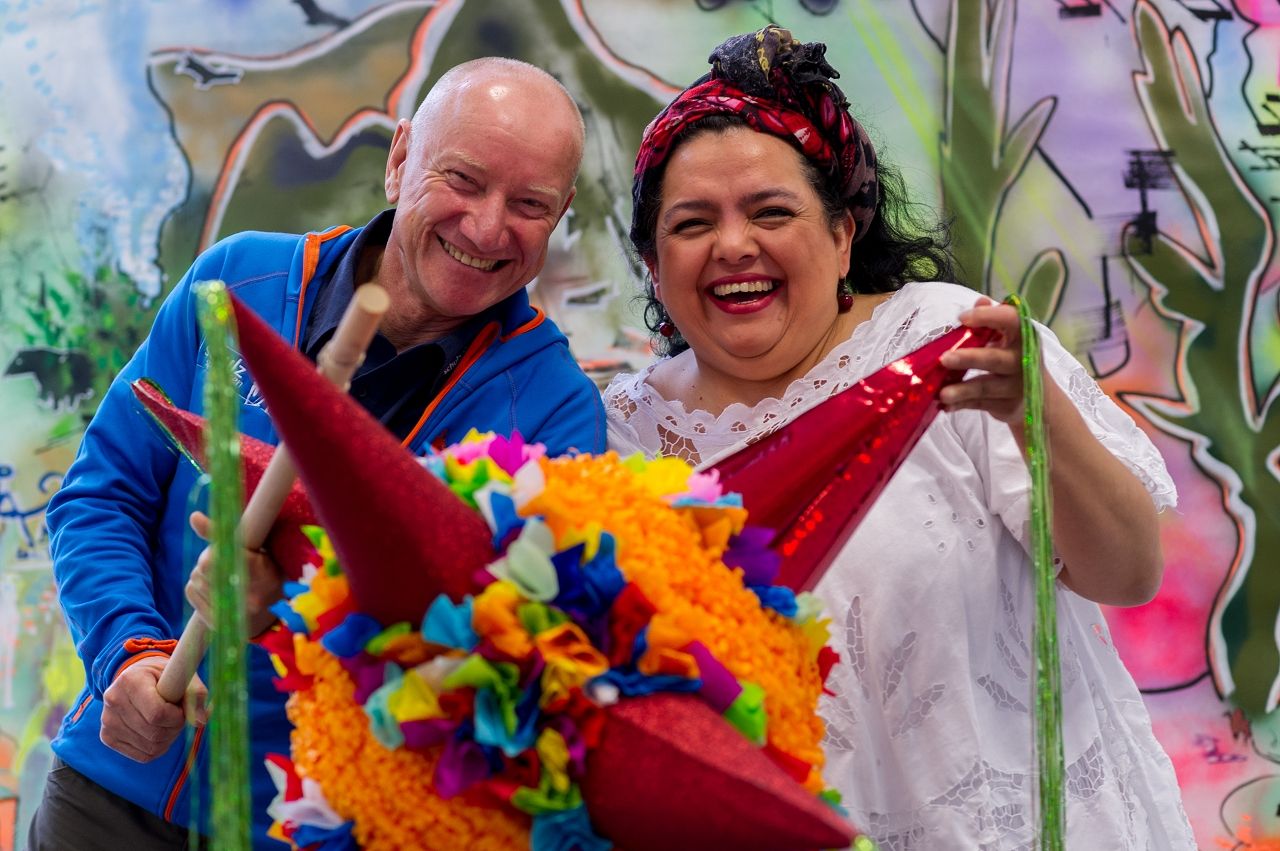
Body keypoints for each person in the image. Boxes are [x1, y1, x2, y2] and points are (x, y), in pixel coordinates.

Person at [605, 26, 1196, 849]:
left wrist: (1042, 420)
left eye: (771, 211)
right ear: (651, 263)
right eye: (692, 223)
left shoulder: (952, 344)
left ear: (845, 233)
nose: (733, 245)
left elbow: (1129, 572)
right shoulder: (622, 436)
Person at [29, 57, 606, 850]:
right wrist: (129, 652)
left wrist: (304, 609)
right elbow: (101, 495)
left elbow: (505, 670)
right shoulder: (237, 279)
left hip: (311, 829)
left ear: (562, 213)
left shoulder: (555, 411)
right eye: (464, 179)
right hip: (111, 786)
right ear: (401, 159)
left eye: (530, 204)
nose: (485, 226)